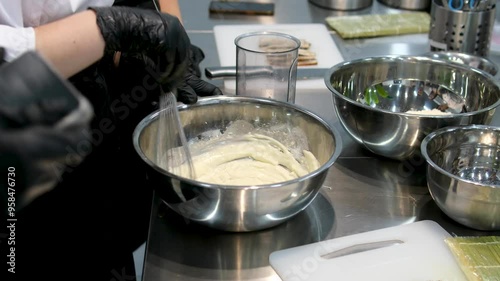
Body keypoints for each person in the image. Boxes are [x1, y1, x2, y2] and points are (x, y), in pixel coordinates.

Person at [0, 1, 221, 280]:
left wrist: (168, 37)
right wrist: (110, 28)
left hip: (100, 105)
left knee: (105, 246)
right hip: (23, 126)